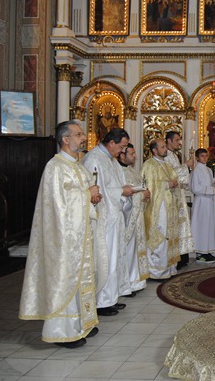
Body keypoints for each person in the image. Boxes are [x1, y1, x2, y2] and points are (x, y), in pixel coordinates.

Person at [19, 120, 102, 348]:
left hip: (79, 235)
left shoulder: (77, 166)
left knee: (81, 279)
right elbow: (57, 205)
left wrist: (93, 197)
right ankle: (61, 332)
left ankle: (81, 324)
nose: (83, 137)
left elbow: (83, 196)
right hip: (63, 239)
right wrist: (86, 194)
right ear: (65, 139)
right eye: (78, 134)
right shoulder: (55, 167)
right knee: (64, 280)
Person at [82, 128, 135, 317]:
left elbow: (112, 185)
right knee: (105, 259)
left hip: (113, 216)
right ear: (111, 142)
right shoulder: (94, 158)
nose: (122, 151)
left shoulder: (109, 159)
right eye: (121, 146)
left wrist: (123, 189)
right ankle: (101, 301)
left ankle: (111, 297)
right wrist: (121, 191)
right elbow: (97, 189)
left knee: (115, 258)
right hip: (103, 218)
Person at [142, 139, 186, 279]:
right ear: (154, 150)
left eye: (165, 147)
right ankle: (157, 270)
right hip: (158, 208)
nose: (165, 149)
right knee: (160, 235)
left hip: (170, 207)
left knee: (170, 236)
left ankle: (169, 267)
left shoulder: (167, 165)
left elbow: (176, 180)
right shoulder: (149, 165)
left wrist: (175, 183)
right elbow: (149, 186)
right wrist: (167, 184)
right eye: (162, 147)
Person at [118, 143, 151, 294]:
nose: (135, 156)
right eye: (131, 154)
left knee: (136, 250)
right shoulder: (118, 172)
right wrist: (141, 196)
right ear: (122, 155)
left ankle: (136, 281)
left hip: (137, 217)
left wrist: (145, 194)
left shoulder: (132, 171)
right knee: (128, 250)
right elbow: (121, 197)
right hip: (127, 219)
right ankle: (127, 283)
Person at [164, 131, 194, 269]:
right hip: (170, 196)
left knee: (180, 225)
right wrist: (186, 165)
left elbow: (180, 178)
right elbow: (170, 175)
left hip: (178, 195)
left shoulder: (174, 155)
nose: (179, 143)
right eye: (177, 140)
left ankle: (181, 256)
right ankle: (175, 257)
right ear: (169, 141)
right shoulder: (165, 156)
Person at [190, 148, 215, 263]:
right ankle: (201, 253)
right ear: (197, 158)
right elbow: (195, 188)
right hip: (201, 202)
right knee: (202, 227)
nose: (205, 158)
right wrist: (211, 189)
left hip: (209, 203)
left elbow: (212, 186)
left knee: (208, 227)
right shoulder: (196, 170)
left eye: (206, 156)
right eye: (202, 156)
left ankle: (207, 250)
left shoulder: (208, 170)